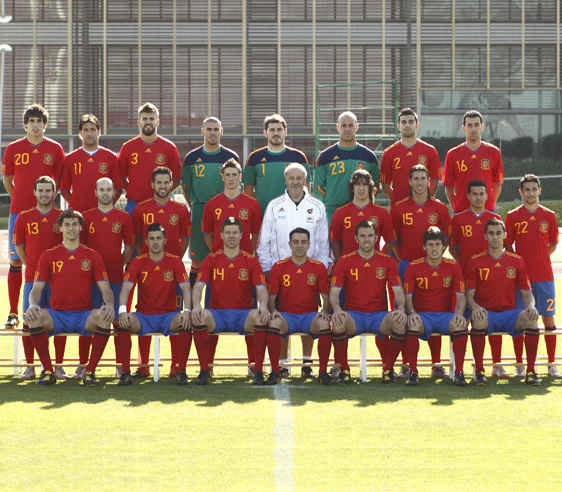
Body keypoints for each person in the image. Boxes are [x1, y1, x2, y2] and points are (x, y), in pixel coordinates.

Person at [24, 209, 115, 386]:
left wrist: (109, 305)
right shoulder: (48, 255)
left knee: (105, 317)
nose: (71, 228)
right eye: (67, 225)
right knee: (32, 318)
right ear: (60, 228)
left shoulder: (92, 255)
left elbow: (105, 288)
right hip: (56, 315)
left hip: (84, 315)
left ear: (81, 227)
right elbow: (36, 288)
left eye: (74, 224)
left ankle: (90, 372)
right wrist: (33, 304)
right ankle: (49, 371)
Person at [257, 162, 330, 378]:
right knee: (281, 315)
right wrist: (268, 270)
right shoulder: (274, 206)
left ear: (306, 180)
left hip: (310, 273)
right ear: (285, 180)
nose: (296, 182)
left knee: (307, 312)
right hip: (280, 271)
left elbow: (323, 243)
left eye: (300, 178)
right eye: (292, 178)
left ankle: (307, 363)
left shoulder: (317, 206)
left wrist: (320, 272)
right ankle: (283, 363)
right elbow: (265, 242)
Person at [2, 104, 65, 329]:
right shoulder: (13, 148)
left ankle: (53, 308)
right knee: (17, 260)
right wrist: (19, 198)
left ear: (45, 125)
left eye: (40, 122)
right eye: (32, 121)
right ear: (26, 125)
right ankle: (12, 312)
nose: (36, 126)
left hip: (48, 215)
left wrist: (44, 203)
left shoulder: (56, 149)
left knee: (49, 259)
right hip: (19, 213)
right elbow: (8, 179)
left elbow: (58, 181)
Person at [192, 217, 269, 385]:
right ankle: (205, 370)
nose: (231, 236)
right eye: (228, 233)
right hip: (217, 314)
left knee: (260, 317)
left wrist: (263, 306)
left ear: (242, 235)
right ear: (221, 235)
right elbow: (198, 286)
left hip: (243, 315)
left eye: (235, 232)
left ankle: (258, 370)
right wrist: (196, 305)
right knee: (199, 317)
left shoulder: (250, 260)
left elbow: (261, 288)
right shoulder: (212, 259)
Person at [202, 158, 262, 376]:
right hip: (218, 267)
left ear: (240, 177)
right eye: (227, 175)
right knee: (211, 314)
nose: (231, 179)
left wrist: (249, 253)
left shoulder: (251, 204)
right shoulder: (212, 204)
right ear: (222, 177)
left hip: (245, 266)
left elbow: (256, 233)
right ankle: (206, 366)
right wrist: (218, 252)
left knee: (251, 315)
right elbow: (207, 233)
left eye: (234, 175)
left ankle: (254, 365)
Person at [329, 220, 407, 383]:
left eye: (370, 236)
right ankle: (344, 369)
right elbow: (334, 292)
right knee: (337, 321)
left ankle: (388, 369)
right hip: (354, 316)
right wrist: (336, 309)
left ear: (377, 238)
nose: (366, 239)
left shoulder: (387, 261)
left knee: (399, 322)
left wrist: (400, 309)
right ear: (356, 239)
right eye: (362, 236)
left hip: (378, 316)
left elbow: (398, 291)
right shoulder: (345, 260)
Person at [466, 218, 541, 386]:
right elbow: (469, 295)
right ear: (485, 236)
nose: (495, 237)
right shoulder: (475, 261)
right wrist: (475, 307)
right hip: (487, 314)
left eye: (498, 233)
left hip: (510, 314)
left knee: (531, 318)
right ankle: (479, 371)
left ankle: (531, 371)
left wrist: (531, 306)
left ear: (505, 235)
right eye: (491, 233)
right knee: (477, 319)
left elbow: (527, 292)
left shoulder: (517, 261)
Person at [392, 164, 451, 378]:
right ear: (410, 181)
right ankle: (407, 365)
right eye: (415, 178)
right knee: (406, 315)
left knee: (434, 310)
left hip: (433, 267)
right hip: (406, 266)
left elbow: (446, 239)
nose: (419, 182)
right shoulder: (399, 208)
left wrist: (434, 259)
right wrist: (402, 262)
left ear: (429, 182)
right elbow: (393, 239)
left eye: (422, 178)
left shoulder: (440, 209)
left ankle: (436, 364)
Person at [132, 166, 191, 378]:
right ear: (152, 185)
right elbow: (138, 239)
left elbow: (184, 238)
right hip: (147, 271)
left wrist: (173, 260)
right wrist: (145, 260)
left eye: (166, 182)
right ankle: (143, 364)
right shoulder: (141, 209)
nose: (163, 186)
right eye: (159, 182)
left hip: (172, 272)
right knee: (144, 310)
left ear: (171, 184)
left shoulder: (181, 210)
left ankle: (177, 366)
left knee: (177, 316)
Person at [117, 223, 192, 385]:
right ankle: (125, 372)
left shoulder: (175, 261)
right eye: (152, 239)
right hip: (144, 315)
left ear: (165, 240)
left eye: (159, 238)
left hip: (168, 315)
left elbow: (186, 288)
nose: (155, 242)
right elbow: (126, 288)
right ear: (146, 241)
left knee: (186, 322)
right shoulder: (138, 261)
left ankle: (181, 370)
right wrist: (122, 310)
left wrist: (187, 310)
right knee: (122, 323)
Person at [76, 177, 134, 379]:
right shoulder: (86, 217)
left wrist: (119, 262)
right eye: (101, 189)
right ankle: (83, 365)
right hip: (90, 281)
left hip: (116, 279)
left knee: (119, 323)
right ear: (95, 192)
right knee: (88, 322)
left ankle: (121, 365)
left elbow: (129, 247)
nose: (105, 193)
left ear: (114, 192)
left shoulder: (123, 217)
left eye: (109, 189)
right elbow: (81, 248)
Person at [505, 174, 560, 378]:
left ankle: (552, 363)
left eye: (533, 189)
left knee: (548, 318)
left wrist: (540, 258)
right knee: (522, 319)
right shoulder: (512, 216)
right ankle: (521, 364)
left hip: (544, 277)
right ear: (520, 192)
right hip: (520, 279)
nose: (530, 193)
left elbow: (553, 244)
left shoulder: (549, 216)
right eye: (526, 190)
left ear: (540, 190)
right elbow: (507, 244)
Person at [449, 180, 503, 377]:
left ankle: (496, 363)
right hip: (465, 278)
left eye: (482, 193)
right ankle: (459, 367)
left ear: (487, 196)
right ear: (468, 196)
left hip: (490, 280)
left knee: (491, 317)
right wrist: (465, 263)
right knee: (461, 321)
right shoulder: (458, 219)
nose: (478, 197)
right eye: (475, 194)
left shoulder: (495, 218)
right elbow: (453, 247)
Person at [13, 176, 65, 380]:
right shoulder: (24, 217)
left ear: (54, 193)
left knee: (59, 321)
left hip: (59, 281)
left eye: (48, 190)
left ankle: (58, 365)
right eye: (40, 190)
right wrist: (32, 266)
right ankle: (30, 365)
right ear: (34, 193)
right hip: (32, 280)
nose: (44, 194)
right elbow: (19, 247)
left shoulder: (62, 217)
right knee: (29, 321)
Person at [404, 227, 468, 386]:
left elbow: (461, 296)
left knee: (460, 325)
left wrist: (459, 314)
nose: (434, 248)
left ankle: (458, 372)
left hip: (445, 316)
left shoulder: (453, 266)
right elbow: (408, 297)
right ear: (424, 247)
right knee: (412, 323)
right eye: (430, 245)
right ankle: (413, 371)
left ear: (443, 247)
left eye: (437, 244)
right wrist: (412, 313)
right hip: (423, 316)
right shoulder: (414, 266)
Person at [266, 228, 332, 385]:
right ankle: (276, 369)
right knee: (274, 323)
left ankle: (320, 371)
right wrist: (273, 311)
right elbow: (271, 296)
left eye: (303, 242)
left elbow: (325, 296)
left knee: (324, 323)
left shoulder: (318, 267)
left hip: (309, 315)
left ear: (309, 244)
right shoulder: (279, 266)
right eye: (296, 242)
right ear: (290, 244)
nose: (299, 245)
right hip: (286, 316)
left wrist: (325, 310)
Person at [182, 116, 239, 283]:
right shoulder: (192, 158)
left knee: (226, 258)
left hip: (226, 213)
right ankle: (193, 306)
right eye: (209, 129)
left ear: (221, 131)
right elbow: (186, 188)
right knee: (198, 261)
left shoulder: (231, 156)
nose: (212, 133)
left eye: (216, 129)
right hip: (200, 211)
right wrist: (198, 204)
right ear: (202, 131)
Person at [313, 111, 379, 221]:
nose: (347, 129)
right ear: (337, 127)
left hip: (360, 213)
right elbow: (317, 188)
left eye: (351, 125)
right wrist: (330, 200)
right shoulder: (325, 157)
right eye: (343, 125)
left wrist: (363, 203)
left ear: (356, 127)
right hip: (332, 213)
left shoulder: (369, 156)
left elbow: (376, 186)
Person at [118, 102, 181, 215]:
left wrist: (163, 192)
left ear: (157, 122)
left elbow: (176, 179)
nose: (148, 121)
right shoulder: (127, 147)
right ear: (138, 122)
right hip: (135, 204)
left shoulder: (169, 147)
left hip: (161, 204)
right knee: (134, 233)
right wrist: (133, 190)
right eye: (144, 118)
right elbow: (120, 177)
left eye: (151, 118)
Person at [243, 113, 310, 213]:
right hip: (263, 214)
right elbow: (248, 190)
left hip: (291, 214)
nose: (276, 133)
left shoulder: (298, 157)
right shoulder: (254, 157)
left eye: (279, 129)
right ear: (265, 133)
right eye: (272, 130)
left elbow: (306, 187)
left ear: (285, 132)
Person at [443, 110, 504, 213]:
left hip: (486, 210)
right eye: (469, 125)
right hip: (461, 210)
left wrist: (490, 204)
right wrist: (456, 206)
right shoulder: (452, 154)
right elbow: (448, 186)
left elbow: (498, 183)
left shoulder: (494, 152)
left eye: (476, 125)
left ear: (482, 127)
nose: (473, 129)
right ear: (463, 128)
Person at [380, 107, 441, 207]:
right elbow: (385, 185)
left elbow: (434, 182)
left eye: (411, 122)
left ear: (417, 125)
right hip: (398, 209)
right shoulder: (388, 153)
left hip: (423, 207)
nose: (407, 125)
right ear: (398, 126)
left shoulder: (430, 151)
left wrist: (423, 200)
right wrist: (398, 201)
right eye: (403, 122)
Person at [330, 168, 396, 260]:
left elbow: (391, 240)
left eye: (365, 185)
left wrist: (381, 259)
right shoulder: (340, 213)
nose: (361, 188)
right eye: (357, 184)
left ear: (370, 188)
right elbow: (334, 241)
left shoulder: (381, 213)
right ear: (352, 188)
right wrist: (340, 261)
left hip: (373, 267)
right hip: (348, 267)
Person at [60, 114, 122, 212]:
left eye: (93, 129)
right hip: (79, 215)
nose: (89, 133)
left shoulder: (111, 157)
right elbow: (64, 190)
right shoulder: (70, 159)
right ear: (80, 133)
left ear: (99, 132)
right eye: (86, 130)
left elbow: (118, 188)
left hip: (102, 213)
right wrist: (75, 205)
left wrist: (107, 206)